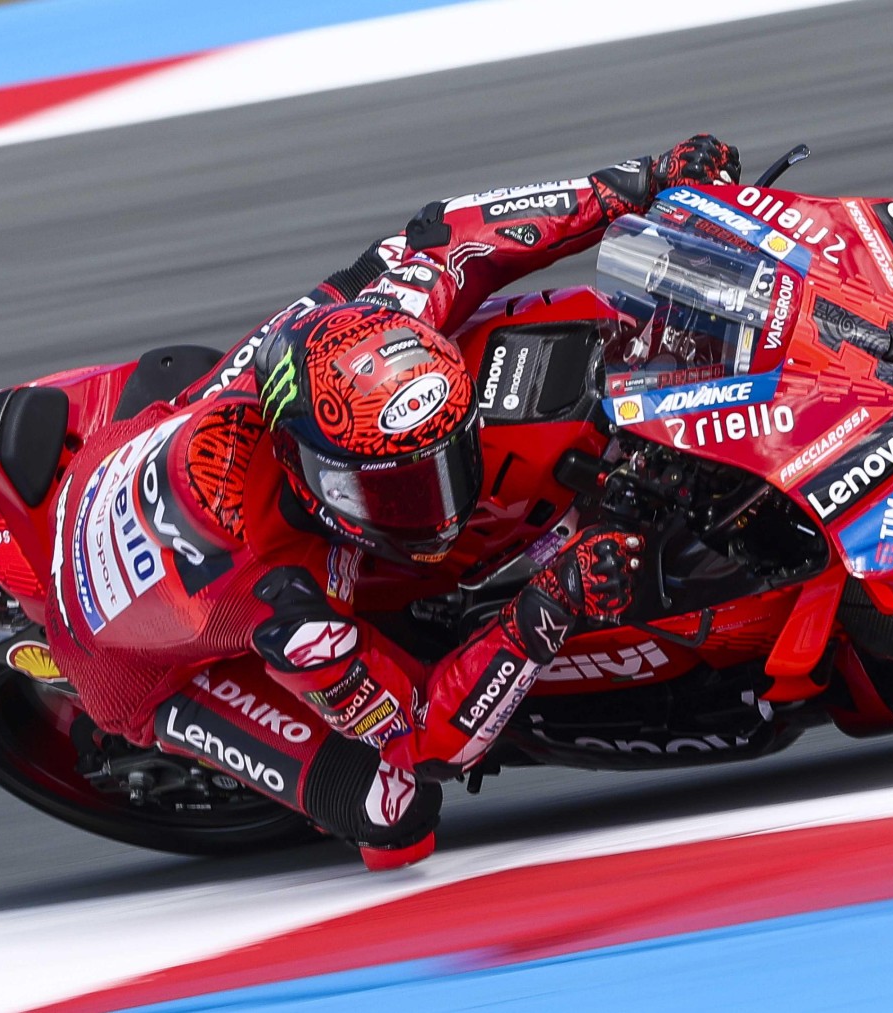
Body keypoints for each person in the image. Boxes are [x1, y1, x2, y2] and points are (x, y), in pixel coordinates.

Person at [41, 135, 740, 869]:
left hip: (143, 436)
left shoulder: (369, 323)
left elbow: (450, 235)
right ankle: (193, 728)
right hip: (125, 662)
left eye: (445, 462)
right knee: (397, 810)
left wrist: (637, 183)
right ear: (314, 474)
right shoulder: (294, 608)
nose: (437, 505)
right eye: (395, 488)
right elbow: (423, 734)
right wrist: (547, 607)